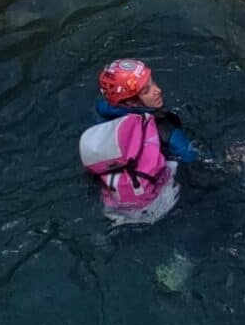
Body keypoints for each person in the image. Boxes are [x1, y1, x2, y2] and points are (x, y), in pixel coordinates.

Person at [83, 58, 202, 224]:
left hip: (111, 207)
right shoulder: (165, 130)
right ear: (131, 101)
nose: (158, 90)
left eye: (152, 83)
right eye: (146, 91)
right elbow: (195, 159)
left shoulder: (102, 110)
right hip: (157, 207)